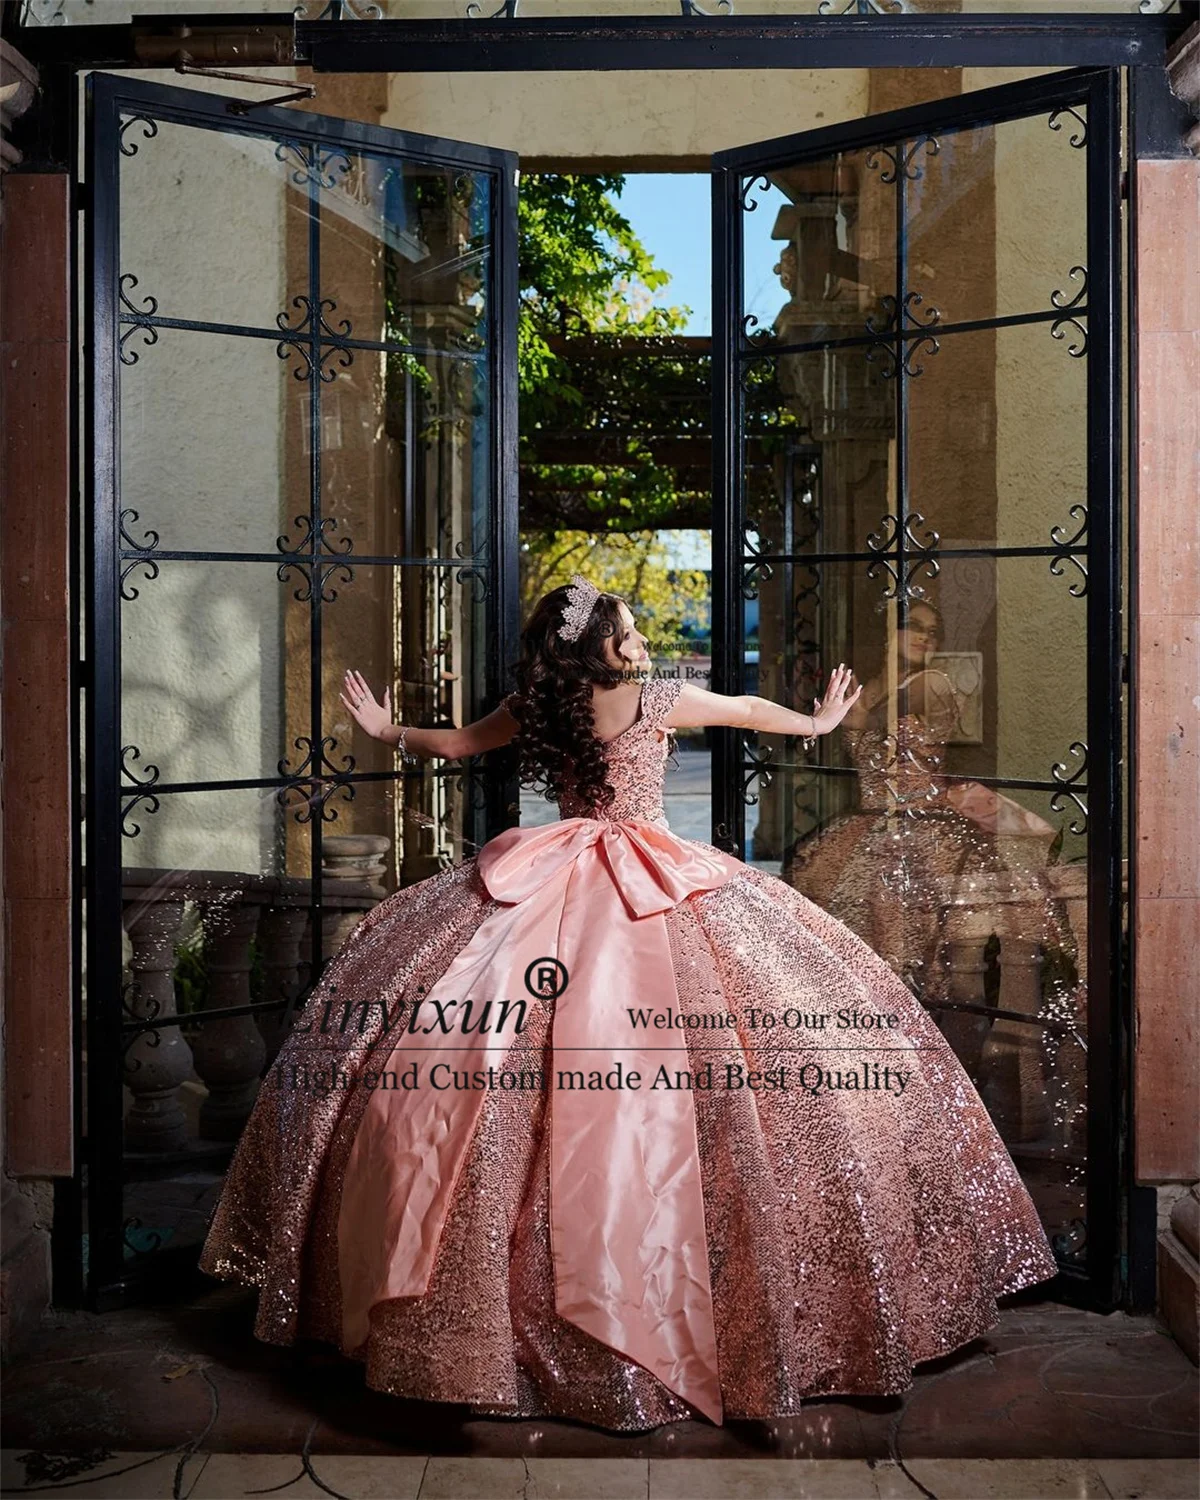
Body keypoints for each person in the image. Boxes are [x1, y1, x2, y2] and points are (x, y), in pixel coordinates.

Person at [198, 574, 1057, 1432]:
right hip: (650, 876)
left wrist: (390, 731)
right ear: (602, 644)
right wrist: (815, 724)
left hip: (551, 875)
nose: (639, 634)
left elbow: (459, 745)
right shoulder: (655, 699)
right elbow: (747, 712)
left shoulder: (544, 701)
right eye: (627, 625)